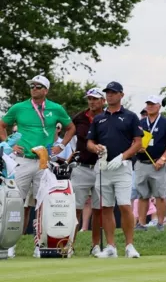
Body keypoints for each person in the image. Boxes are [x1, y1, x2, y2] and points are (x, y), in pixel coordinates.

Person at [0, 74, 75, 258]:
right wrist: (8, 144)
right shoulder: (19, 107)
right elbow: (2, 125)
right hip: (23, 160)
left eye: (38, 86)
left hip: (44, 161)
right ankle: (10, 244)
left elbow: (71, 128)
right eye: (32, 86)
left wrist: (62, 145)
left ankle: (41, 244)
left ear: (46, 90)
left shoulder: (56, 108)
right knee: (16, 203)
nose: (34, 88)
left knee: (44, 204)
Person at [86, 81, 143, 258]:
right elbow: (89, 142)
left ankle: (129, 246)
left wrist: (123, 157)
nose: (110, 95)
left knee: (125, 206)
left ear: (121, 95)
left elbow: (138, 143)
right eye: (108, 93)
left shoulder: (130, 116)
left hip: (122, 167)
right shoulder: (98, 118)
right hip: (103, 167)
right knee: (106, 207)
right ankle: (111, 246)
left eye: (113, 92)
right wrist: (95, 149)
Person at [68, 87, 105, 255]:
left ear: (102, 101)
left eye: (95, 99)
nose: (91, 102)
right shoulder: (79, 118)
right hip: (82, 167)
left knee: (98, 210)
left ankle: (95, 245)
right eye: (89, 98)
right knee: (75, 208)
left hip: (102, 168)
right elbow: (68, 134)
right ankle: (69, 245)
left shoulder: (108, 118)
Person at [135, 95, 166, 231]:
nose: (150, 106)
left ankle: (160, 223)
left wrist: (163, 158)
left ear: (159, 106)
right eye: (148, 103)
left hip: (158, 163)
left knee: (160, 195)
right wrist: (137, 147)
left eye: (153, 104)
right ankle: (141, 224)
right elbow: (133, 140)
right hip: (142, 162)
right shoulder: (140, 123)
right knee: (142, 195)